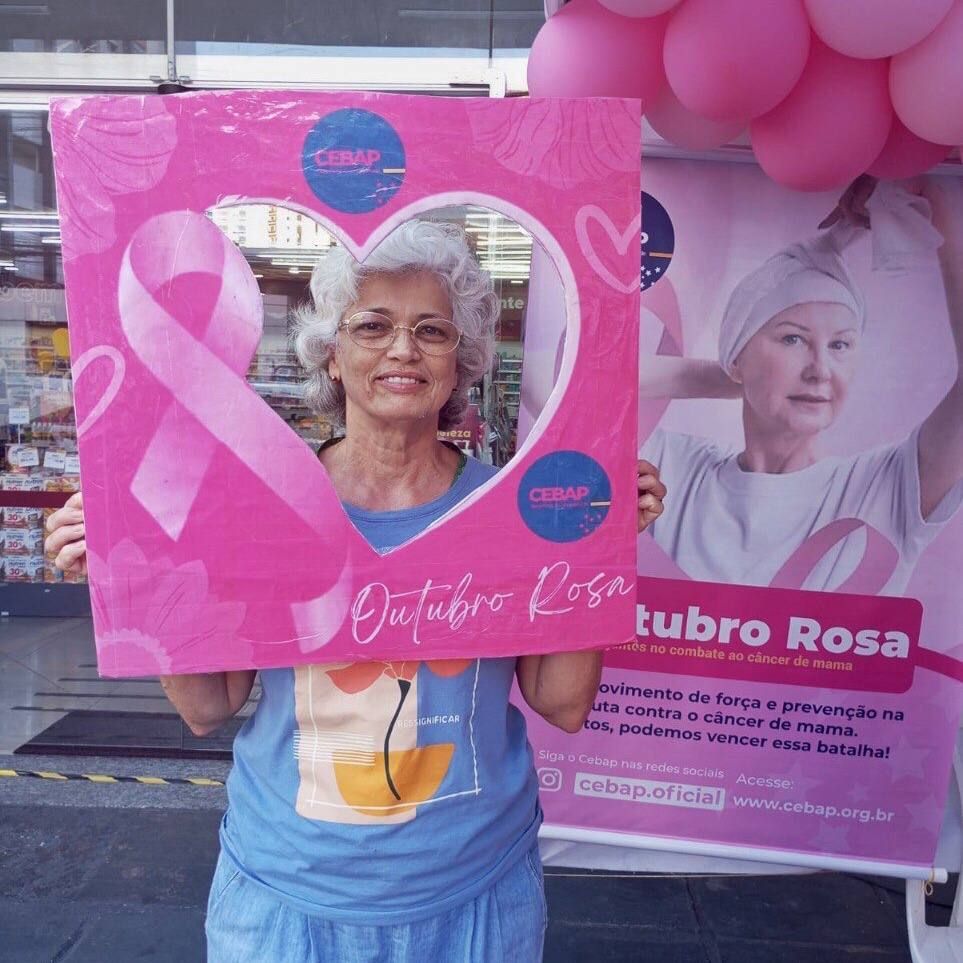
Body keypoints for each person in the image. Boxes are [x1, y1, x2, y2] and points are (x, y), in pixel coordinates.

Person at [46, 218, 665, 961]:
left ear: (460, 363)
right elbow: (207, 707)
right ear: (332, 357)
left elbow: (562, 703)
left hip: (473, 892)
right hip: (286, 895)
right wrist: (137, 575)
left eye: (432, 331)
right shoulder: (259, 511)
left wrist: (594, 550)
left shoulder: (511, 510)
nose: (403, 348)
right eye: (373, 326)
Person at [639, 176, 963, 593]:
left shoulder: (885, 489)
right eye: (793, 339)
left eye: (840, 344)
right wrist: (736, 376)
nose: (820, 370)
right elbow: (577, 382)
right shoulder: (674, 467)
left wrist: (932, 202)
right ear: (735, 356)